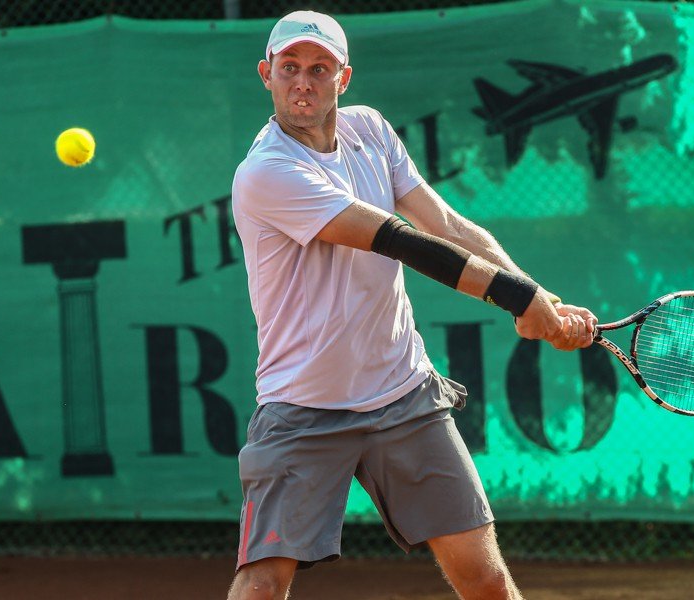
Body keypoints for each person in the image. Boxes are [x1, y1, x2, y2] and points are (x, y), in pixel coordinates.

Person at [228, 11, 597, 600]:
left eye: (319, 69)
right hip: (301, 407)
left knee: (486, 581)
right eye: (289, 67)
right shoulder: (266, 172)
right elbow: (401, 240)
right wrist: (520, 299)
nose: (303, 82)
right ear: (266, 74)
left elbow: (446, 224)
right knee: (262, 587)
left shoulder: (370, 131)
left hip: (403, 394)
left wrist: (542, 300)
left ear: (343, 78)